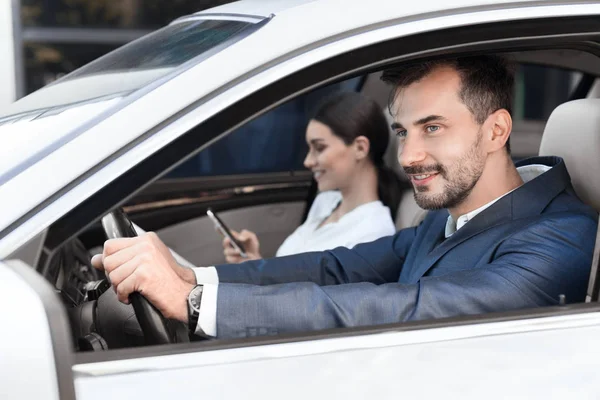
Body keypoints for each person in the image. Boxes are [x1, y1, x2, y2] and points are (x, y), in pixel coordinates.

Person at [92, 55, 598, 340]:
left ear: (496, 130)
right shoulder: (451, 215)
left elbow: (407, 309)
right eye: (403, 132)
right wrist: (195, 276)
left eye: (433, 127)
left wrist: (197, 303)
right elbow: (337, 269)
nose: (409, 155)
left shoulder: (560, 238)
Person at [223, 92, 403, 263]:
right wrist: (253, 262)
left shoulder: (374, 234)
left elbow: (313, 295)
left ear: (360, 148)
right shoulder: (326, 202)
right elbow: (292, 282)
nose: (308, 161)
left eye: (319, 148)